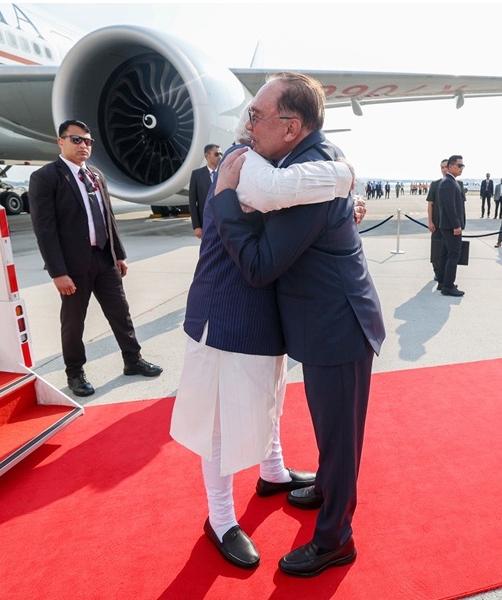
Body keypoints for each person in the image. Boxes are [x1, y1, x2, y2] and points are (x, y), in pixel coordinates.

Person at [212, 71, 385, 578]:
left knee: (339, 439)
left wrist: (225, 199)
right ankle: (328, 491)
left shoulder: (312, 170)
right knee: (331, 431)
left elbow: (262, 263)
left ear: (291, 126)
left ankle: (335, 540)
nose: (247, 124)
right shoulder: (297, 163)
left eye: (256, 116)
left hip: (339, 327)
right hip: (323, 325)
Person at [171, 142, 361, 570]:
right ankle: (219, 519)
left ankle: (272, 471)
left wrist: (347, 198)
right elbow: (278, 191)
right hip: (226, 307)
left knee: (271, 397)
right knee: (217, 423)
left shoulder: (277, 159)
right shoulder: (247, 160)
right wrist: (344, 176)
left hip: (263, 307)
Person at [27, 119, 163, 398]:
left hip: (104, 258)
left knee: (121, 313)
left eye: (87, 141)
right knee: (74, 321)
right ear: (60, 142)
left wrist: (119, 255)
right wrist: (57, 272)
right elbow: (44, 229)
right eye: (76, 139)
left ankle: (132, 360)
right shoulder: (46, 177)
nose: (83, 145)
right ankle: (74, 372)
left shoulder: (96, 175)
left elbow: (108, 219)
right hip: (72, 266)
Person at [433, 155, 468, 296]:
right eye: (460, 166)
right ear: (451, 166)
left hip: (447, 226)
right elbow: (450, 207)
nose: (461, 168)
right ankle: (448, 286)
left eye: (462, 166)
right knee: (454, 255)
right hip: (451, 227)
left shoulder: (449, 181)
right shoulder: (448, 182)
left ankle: (443, 282)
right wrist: (456, 225)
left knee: (445, 254)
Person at [188, 144, 223, 239]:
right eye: (216, 154)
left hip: (224, 222)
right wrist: (197, 226)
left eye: (221, 153)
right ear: (207, 155)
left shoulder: (225, 173)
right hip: (206, 223)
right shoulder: (197, 175)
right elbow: (192, 203)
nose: (220, 156)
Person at [426, 159, 448, 284]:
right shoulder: (435, 184)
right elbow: (430, 205)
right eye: (442, 167)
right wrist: (430, 222)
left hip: (451, 225)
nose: (444, 169)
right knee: (436, 249)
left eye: (446, 167)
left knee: (450, 251)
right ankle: (437, 273)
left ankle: (446, 274)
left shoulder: (458, 184)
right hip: (437, 224)